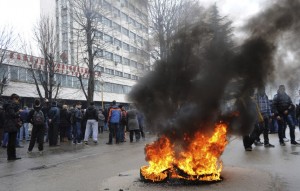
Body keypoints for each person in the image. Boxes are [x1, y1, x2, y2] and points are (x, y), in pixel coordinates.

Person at [3, 93, 22, 160]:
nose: (18, 101)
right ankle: (11, 156)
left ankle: (11, 156)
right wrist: (19, 112)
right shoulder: (10, 105)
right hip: (12, 125)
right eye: (17, 100)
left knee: (11, 141)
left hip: (9, 124)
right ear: (14, 99)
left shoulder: (8, 105)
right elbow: (13, 115)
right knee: (12, 141)